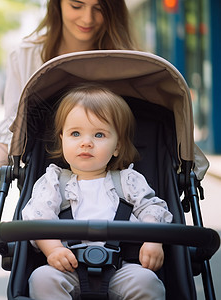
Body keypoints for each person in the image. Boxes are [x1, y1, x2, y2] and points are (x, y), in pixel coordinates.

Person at [0, 0, 136, 222]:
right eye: (77, 6)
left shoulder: (131, 61)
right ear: (57, 5)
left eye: (100, 9)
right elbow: (10, 130)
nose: (87, 18)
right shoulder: (27, 56)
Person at [21, 84, 173, 299]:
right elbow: (37, 218)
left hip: (123, 267)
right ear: (62, 139)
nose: (86, 143)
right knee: (42, 279)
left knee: (146, 282)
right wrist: (53, 249)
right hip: (68, 266)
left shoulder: (128, 181)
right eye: (75, 133)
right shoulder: (53, 182)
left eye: (99, 135)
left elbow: (153, 209)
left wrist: (153, 240)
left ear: (117, 146)